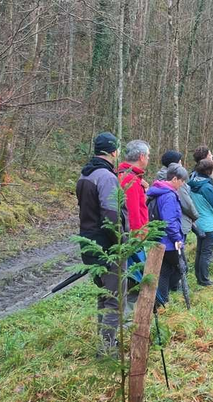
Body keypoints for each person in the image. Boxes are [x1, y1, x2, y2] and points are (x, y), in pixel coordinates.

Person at [76, 132, 126, 351]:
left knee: (103, 295)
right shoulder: (106, 177)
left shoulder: (85, 175)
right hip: (106, 247)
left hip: (88, 244)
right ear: (114, 152)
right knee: (115, 300)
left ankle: (102, 342)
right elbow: (110, 214)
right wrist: (121, 241)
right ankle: (107, 348)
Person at [146, 163, 188, 304]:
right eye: (182, 181)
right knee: (176, 268)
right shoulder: (169, 196)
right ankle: (163, 298)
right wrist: (177, 238)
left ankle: (162, 298)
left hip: (159, 238)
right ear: (175, 179)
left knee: (165, 269)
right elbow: (169, 221)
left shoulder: (159, 190)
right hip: (168, 241)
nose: (182, 185)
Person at [118, 140, 151, 308]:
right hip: (133, 241)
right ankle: (130, 319)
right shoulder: (129, 179)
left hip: (134, 239)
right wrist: (139, 237)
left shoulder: (133, 177)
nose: (148, 159)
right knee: (135, 280)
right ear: (141, 156)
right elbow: (132, 214)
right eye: (148, 156)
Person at [189, 159, 213, 286]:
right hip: (209, 224)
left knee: (200, 250)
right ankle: (204, 280)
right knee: (206, 252)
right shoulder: (206, 187)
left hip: (199, 222)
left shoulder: (193, 183)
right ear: (209, 171)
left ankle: (198, 275)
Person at [157, 150, 200, 241]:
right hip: (178, 224)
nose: (181, 163)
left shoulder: (160, 177)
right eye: (179, 161)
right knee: (178, 252)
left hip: (163, 223)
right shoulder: (176, 181)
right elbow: (186, 203)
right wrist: (195, 216)